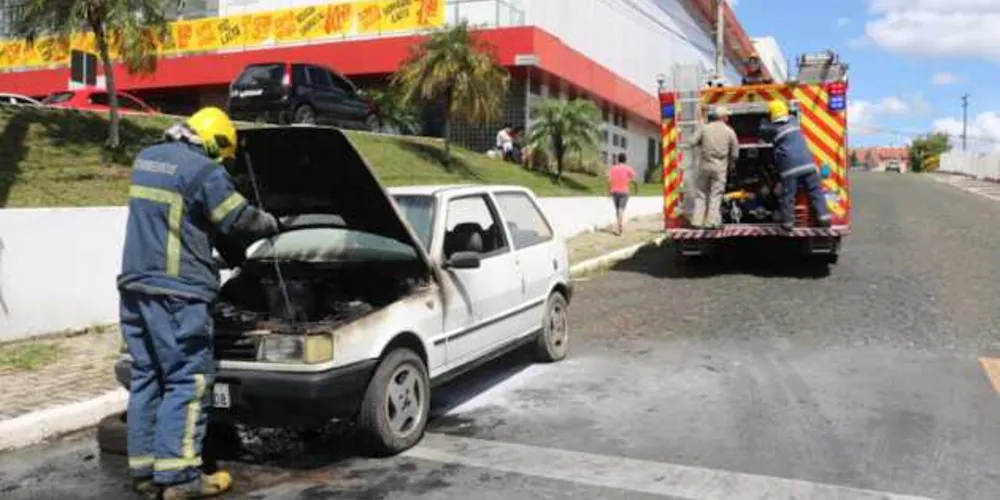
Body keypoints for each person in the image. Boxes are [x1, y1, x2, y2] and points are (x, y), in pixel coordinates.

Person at [117, 107, 280, 499]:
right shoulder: (203, 171)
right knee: (187, 382)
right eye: (223, 155)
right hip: (179, 294)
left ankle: (144, 472)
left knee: (147, 378)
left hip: (136, 287)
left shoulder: (147, 159)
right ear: (215, 142)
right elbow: (238, 220)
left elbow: (176, 221)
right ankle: (180, 479)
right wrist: (273, 222)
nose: (221, 162)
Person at [758, 100, 832, 231]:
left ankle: (787, 223)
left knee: (788, 195)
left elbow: (762, 132)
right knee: (815, 191)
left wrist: (763, 120)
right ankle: (824, 218)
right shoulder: (793, 121)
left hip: (790, 167)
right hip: (808, 164)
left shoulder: (772, 129)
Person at [686, 106, 739, 229]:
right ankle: (711, 222)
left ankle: (697, 221)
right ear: (723, 117)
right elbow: (735, 153)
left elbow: (691, 142)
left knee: (701, 194)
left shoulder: (704, 128)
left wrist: (701, 139)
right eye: (727, 116)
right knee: (715, 195)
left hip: (704, 166)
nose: (728, 118)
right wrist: (731, 164)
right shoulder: (729, 131)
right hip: (719, 168)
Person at [607, 153, 637, 236]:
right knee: (621, 209)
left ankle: (619, 225)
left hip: (614, 191)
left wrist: (609, 191)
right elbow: (634, 179)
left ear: (618, 159)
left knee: (617, 210)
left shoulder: (613, 168)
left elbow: (609, 180)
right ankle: (620, 228)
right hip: (624, 192)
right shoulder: (628, 168)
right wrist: (635, 188)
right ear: (625, 160)